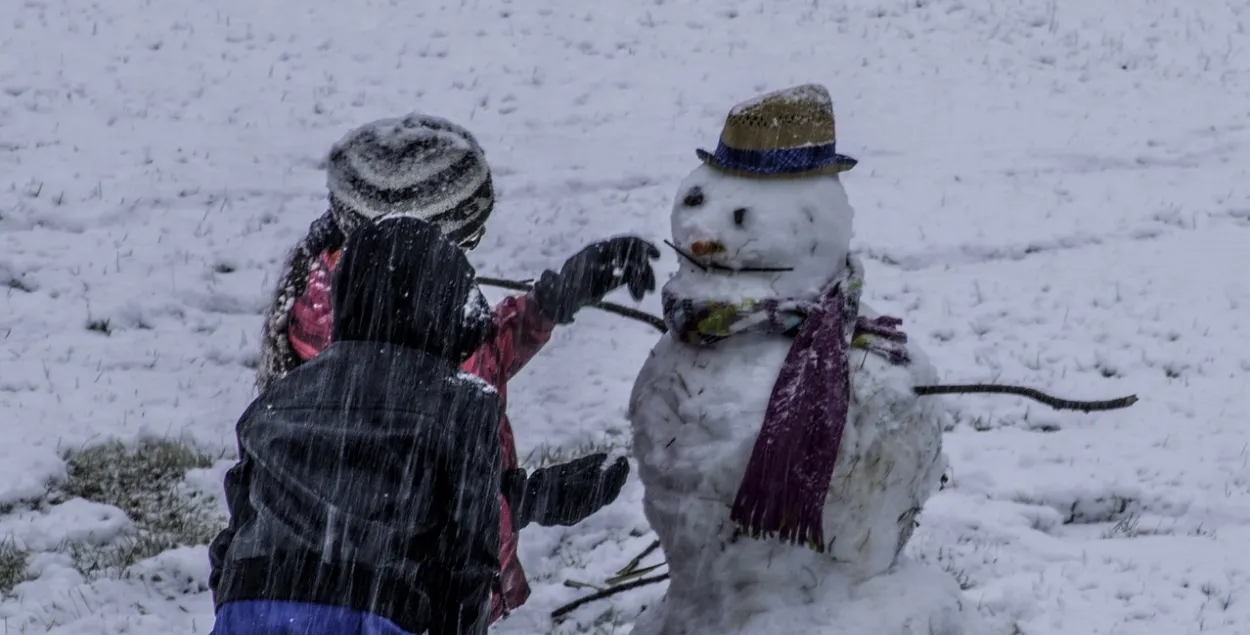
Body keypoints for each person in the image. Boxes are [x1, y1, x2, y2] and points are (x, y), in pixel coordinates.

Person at [254, 113, 657, 621]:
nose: (471, 255)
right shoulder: (340, 330)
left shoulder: (387, 291)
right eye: (466, 240)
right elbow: (395, 505)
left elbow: (472, 362)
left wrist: (552, 301)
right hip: (388, 607)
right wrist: (529, 498)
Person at [209, 217, 505, 635]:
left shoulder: (277, 399)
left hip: (252, 599)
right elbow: (467, 559)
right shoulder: (464, 403)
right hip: (373, 606)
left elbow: (231, 539)